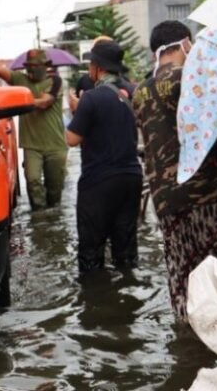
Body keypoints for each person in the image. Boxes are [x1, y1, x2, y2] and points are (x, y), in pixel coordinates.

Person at [132, 20, 217, 322]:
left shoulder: (140, 92)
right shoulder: (190, 78)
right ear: (186, 44)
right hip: (207, 194)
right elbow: (214, 125)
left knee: (184, 278)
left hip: (165, 201)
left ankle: (188, 342)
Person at [66, 40, 143, 274]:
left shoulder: (91, 98)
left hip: (99, 182)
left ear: (97, 67)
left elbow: (72, 139)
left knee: (91, 251)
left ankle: (96, 292)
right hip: (131, 177)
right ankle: (129, 287)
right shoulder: (134, 92)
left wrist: (76, 109)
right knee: (126, 250)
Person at [0, 44, 67, 210]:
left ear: (44, 66)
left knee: (55, 191)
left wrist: (25, 101)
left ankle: (53, 216)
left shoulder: (55, 81)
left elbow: (45, 102)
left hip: (55, 146)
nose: (31, 70)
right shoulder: (20, 80)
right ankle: (39, 216)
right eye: (29, 66)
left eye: (35, 66)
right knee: (32, 180)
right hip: (31, 146)